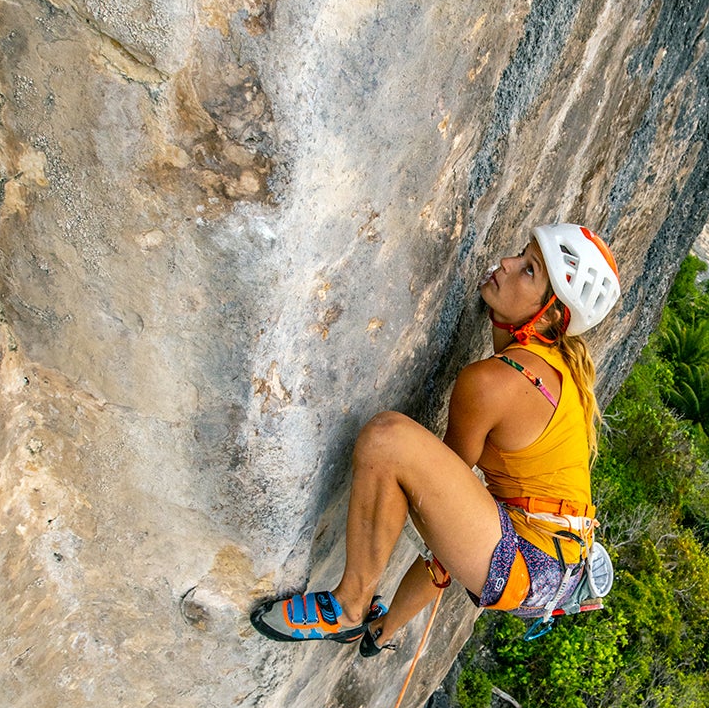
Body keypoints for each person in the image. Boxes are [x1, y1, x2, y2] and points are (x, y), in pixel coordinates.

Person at [251, 223, 621, 648]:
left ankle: (350, 607)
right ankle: (375, 627)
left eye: (529, 270)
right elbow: (449, 525)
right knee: (416, 467)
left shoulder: (496, 383)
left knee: (387, 441)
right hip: (553, 565)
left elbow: (434, 498)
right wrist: (389, 628)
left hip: (532, 562)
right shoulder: (557, 369)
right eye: (522, 255)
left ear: (552, 315)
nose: (507, 263)